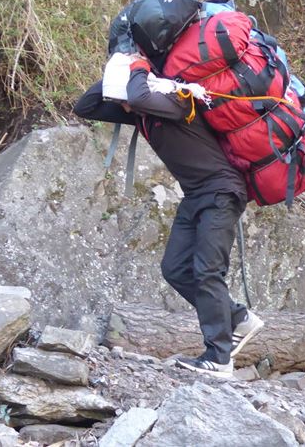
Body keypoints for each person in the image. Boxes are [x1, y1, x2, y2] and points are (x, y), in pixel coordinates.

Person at [73, 54, 263, 378]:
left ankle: (219, 358)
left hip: (221, 193)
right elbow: (86, 106)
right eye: (123, 101)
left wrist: (139, 67)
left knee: (207, 271)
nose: (125, 108)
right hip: (195, 197)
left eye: (127, 100)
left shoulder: (179, 100)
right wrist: (117, 63)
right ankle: (238, 318)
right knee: (174, 268)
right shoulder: (144, 115)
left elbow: (138, 96)